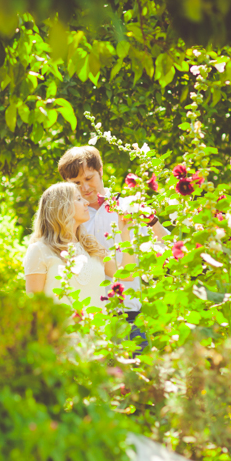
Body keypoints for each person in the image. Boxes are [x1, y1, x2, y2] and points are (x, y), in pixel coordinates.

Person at [57, 146, 169, 346]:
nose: (84, 188)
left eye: (89, 178)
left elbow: (170, 250)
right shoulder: (72, 219)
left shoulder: (129, 207)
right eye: (76, 183)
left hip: (130, 316)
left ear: (100, 171)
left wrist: (153, 222)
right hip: (90, 321)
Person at [23, 182, 135, 309]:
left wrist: (125, 234)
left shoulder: (91, 246)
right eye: (78, 199)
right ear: (61, 207)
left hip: (98, 328)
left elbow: (128, 274)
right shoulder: (39, 250)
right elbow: (34, 307)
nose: (86, 202)